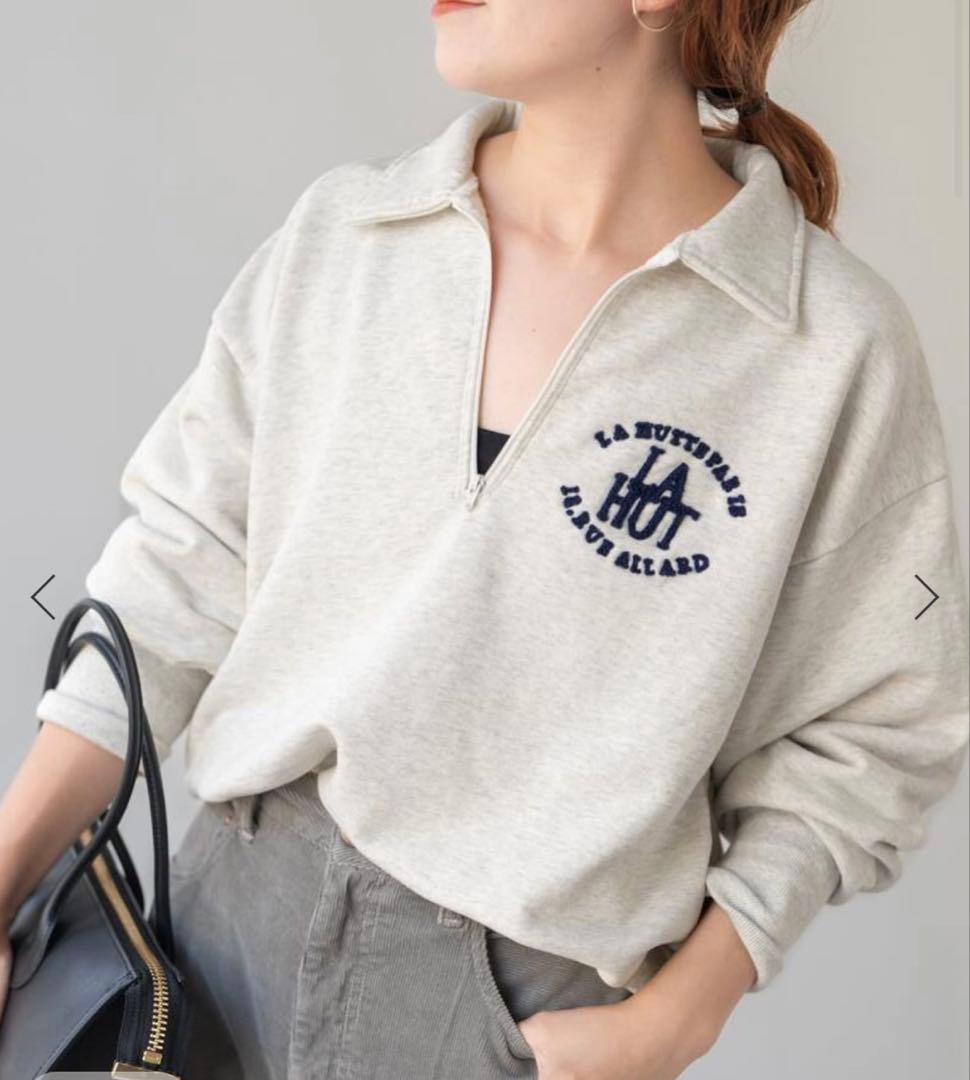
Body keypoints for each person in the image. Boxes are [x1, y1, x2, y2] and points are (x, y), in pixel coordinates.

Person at [2, 1, 969, 1077]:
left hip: (504, 1013)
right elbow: (169, 589)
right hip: (216, 944)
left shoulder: (826, 347)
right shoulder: (348, 237)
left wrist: (681, 1015)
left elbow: (877, 731)